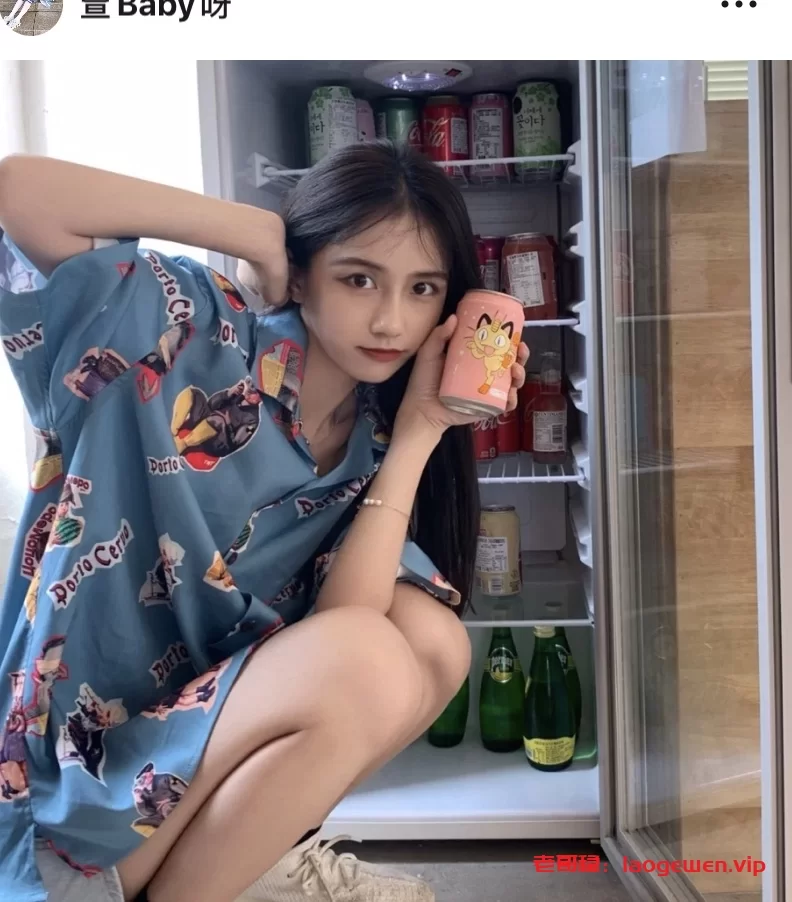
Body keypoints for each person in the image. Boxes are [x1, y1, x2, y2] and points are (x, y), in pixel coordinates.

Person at [0, 142, 528, 902]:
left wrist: (421, 432)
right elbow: (19, 190)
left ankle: (230, 871)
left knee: (433, 643)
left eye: (422, 290)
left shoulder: (371, 441)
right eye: (357, 279)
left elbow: (350, 636)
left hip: (180, 787)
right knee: (375, 655)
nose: (390, 320)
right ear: (303, 272)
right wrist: (254, 230)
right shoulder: (191, 325)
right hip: (67, 791)